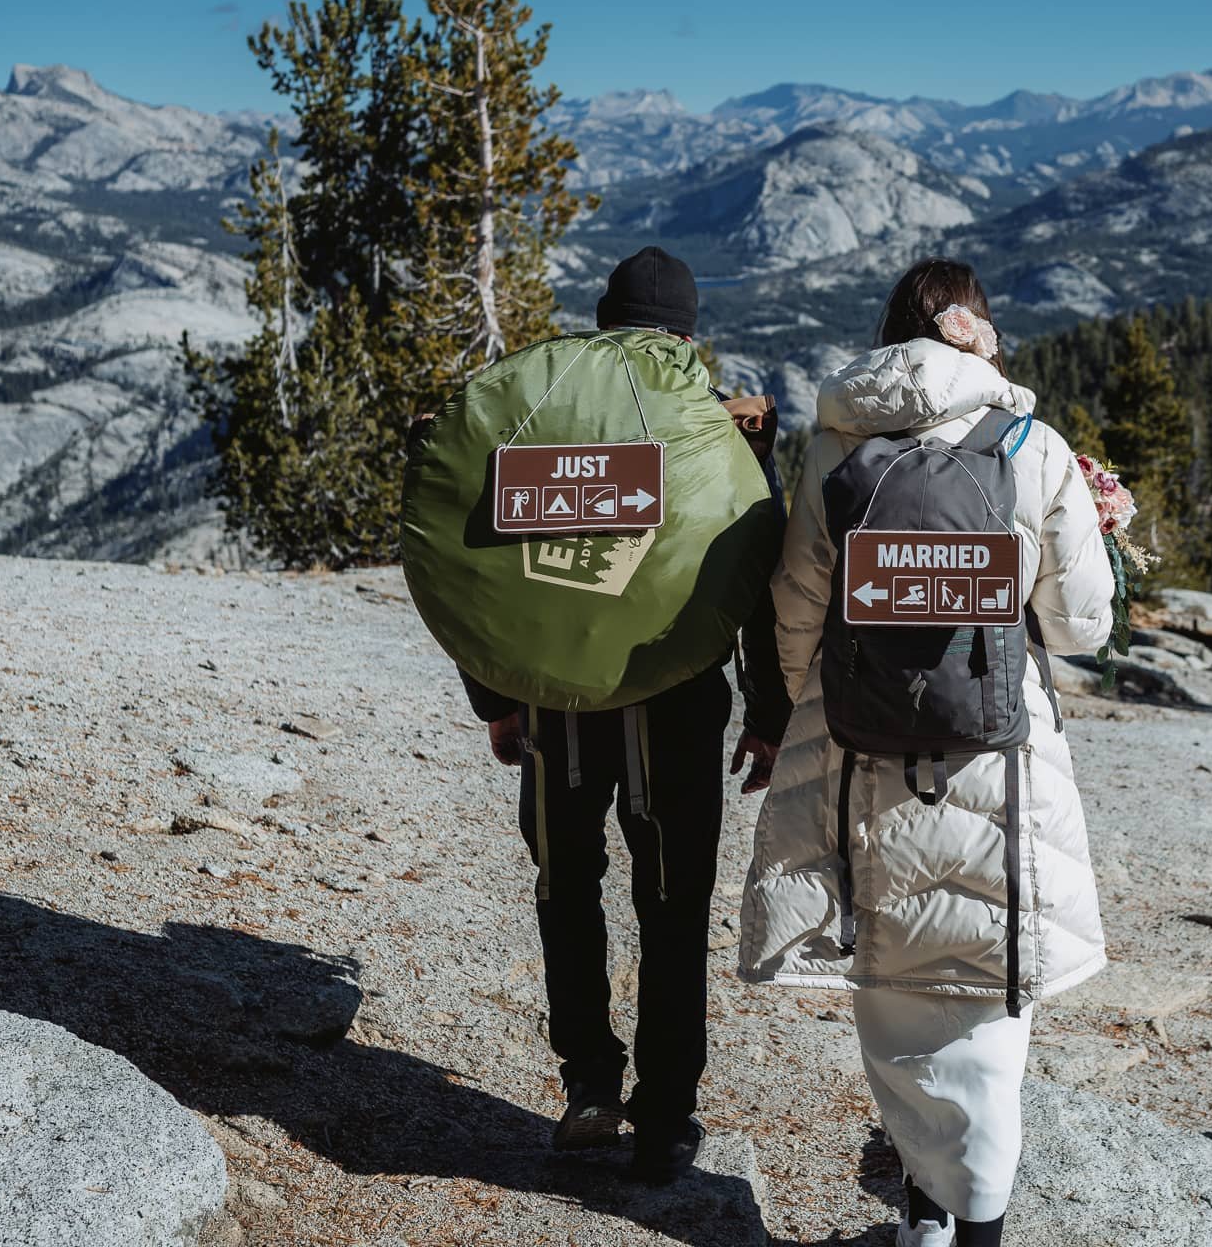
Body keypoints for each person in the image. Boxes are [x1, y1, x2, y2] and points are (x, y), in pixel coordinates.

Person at [738, 258, 1115, 1245]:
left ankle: (923, 1217)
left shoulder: (834, 448)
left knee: (894, 996)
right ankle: (977, 1227)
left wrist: (811, 696)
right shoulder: (1032, 445)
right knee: (987, 1006)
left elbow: (795, 608)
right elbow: (1081, 625)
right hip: (997, 761)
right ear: (979, 334)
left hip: (861, 756)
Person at [456, 245, 791, 1185]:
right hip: (677, 707)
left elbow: (478, 571)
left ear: (603, 329)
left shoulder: (547, 417)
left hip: (557, 701)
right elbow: (756, 575)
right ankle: (667, 1118)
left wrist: (496, 698)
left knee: (566, 889)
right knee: (674, 907)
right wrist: (767, 713)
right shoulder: (721, 431)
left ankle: (590, 1086)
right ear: (686, 335)